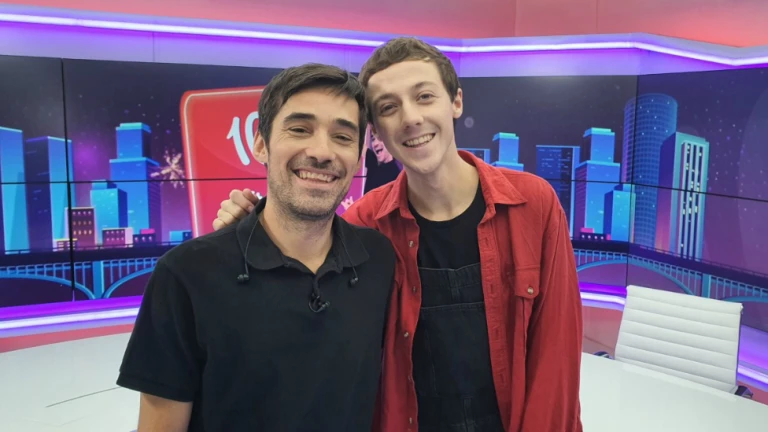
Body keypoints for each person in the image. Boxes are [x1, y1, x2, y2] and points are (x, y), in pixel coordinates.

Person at [212, 38, 583, 432]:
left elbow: (556, 352)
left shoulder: (532, 203)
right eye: (388, 107)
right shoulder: (365, 222)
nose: (410, 118)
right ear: (375, 132)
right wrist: (253, 229)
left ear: (455, 101)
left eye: (424, 96)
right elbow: (308, 322)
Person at [117, 63, 396, 432]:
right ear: (261, 144)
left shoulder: (379, 260)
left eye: (343, 137)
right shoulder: (186, 274)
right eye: (300, 129)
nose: (321, 151)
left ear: (359, 156)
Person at [364, 126, 402, 193]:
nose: (375, 144)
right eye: (373, 139)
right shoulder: (373, 165)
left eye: (380, 138)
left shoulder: (397, 176)